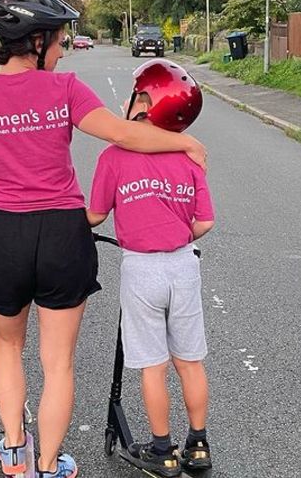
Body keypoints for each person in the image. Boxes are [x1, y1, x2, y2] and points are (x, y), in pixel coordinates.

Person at [0, 0, 207, 478]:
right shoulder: (65, 90)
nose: (62, 51)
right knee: (57, 361)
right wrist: (183, 142)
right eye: (59, 41)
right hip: (63, 234)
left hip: (3, 234)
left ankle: (15, 454)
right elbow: (124, 133)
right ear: (37, 41)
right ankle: (50, 463)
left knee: (8, 347)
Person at [87, 58, 215, 476]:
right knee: (189, 361)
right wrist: (175, 235)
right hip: (182, 266)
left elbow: (95, 216)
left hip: (141, 269)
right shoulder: (190, 158)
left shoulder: (113, 157)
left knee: (152, 364)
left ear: (144, 101)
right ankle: (197, 446)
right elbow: (205, 221)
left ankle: (163, 449)